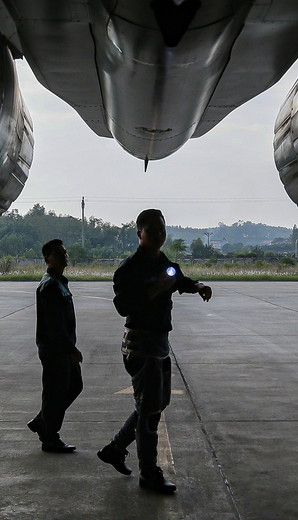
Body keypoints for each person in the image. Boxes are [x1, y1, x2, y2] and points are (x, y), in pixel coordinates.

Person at [97, 209, 212, 494]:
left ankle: (115, 448)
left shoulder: (162, 261)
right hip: (140, 344)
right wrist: (157, 289)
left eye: (162, 230)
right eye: (153, 231)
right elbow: (122, 305)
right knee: (149, 413)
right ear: (140, 234)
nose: (159, 235)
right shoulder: (130, 268)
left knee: (156, 405)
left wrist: (197, 286)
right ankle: (149, 472)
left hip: (159, 344)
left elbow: (180, 280)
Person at [27, 239, 83, 453]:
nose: (65, 255)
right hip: (55, 350)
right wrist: (71, 350)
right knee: (55, 393)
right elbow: (55, 326)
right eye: (60, 253)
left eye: (65, 251)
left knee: (73, 386)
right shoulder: (50, 285)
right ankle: (50, 437)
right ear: (48, 259)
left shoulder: (58, 282)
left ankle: (42, 421)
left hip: (60, 349)